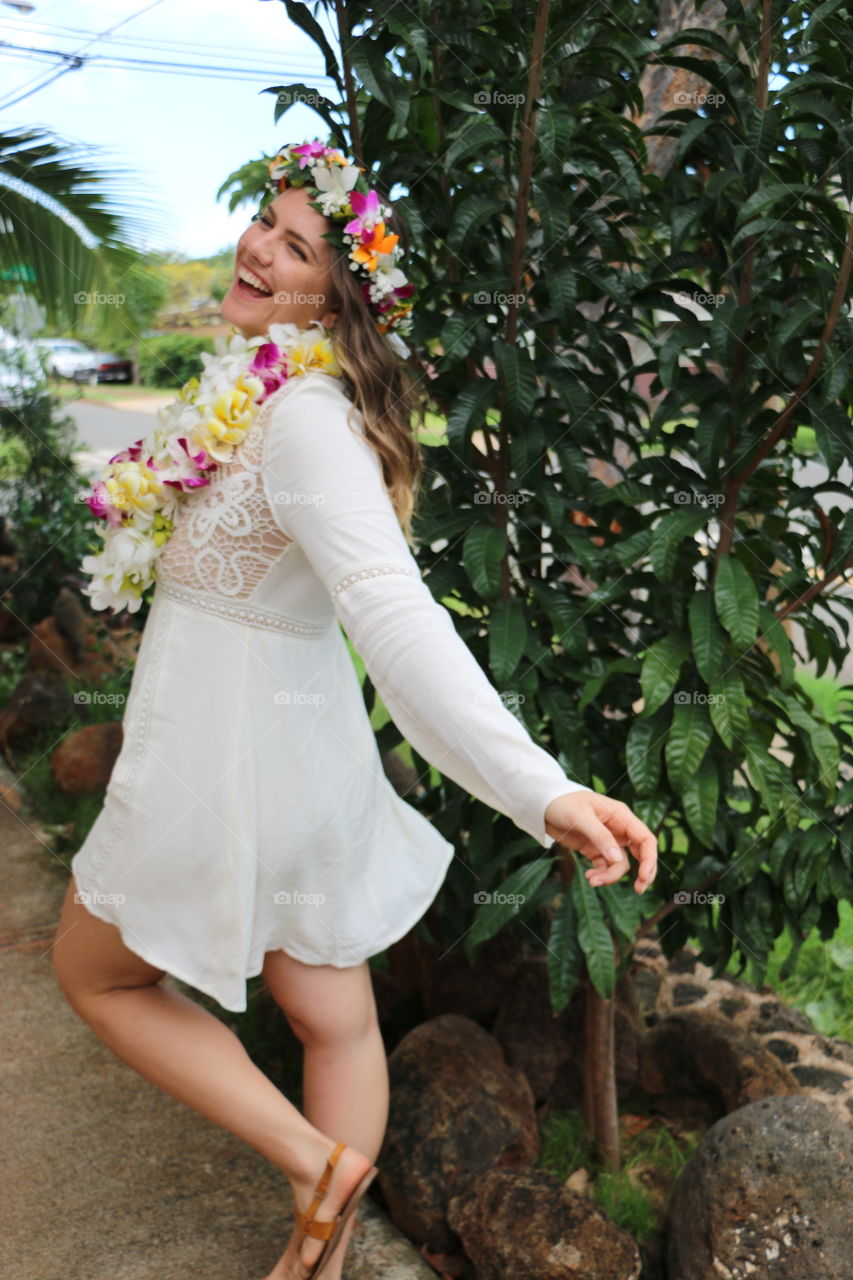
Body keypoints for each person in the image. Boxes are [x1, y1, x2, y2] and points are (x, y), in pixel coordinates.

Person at [52, 139, 658, 1280]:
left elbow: (394, 615)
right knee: (333, 1014)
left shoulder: (304, 420)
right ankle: (318, 1263)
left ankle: (311, 1161)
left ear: (342, 296)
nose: (259, 247)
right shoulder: (258, 395)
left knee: (93, 971)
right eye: (264, 224)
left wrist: (540, 785)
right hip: (293, 756)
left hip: (222, 764)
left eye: (297, 245)